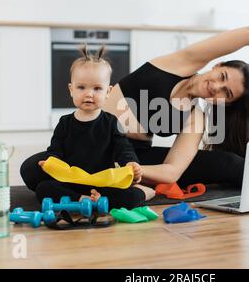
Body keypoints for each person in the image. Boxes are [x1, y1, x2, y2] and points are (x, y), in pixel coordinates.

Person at [22, 26, 249, 199]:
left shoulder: (196, 118)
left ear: (227, 103)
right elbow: (248, 33)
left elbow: (171, 170)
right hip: (87, 143)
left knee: (227, 164)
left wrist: (126, 171)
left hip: (126, 160)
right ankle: (98, 187)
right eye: (223, 77)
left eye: (228, 93)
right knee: (30, 168)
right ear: (217, 65)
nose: (218, 87)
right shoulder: (178, 63)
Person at [20, 45, 155, 210]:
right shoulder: (65, 123)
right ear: (71, 90)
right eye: (81, 87)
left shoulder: (111, 122)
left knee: (131, 197)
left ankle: (144, 192)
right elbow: (55, 150)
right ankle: (83, 199)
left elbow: (123, 149)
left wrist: (131, 164)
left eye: (97, 88)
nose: (89, 94)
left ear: (108, 92)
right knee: (43, 189)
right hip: (73, 182)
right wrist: (50, 162)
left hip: (102, 182)